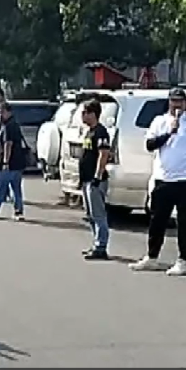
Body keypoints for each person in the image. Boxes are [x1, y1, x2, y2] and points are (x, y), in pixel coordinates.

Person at [130, 88, 186, 276]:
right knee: (157, 220)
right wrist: (169, 132)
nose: (176, 105)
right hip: (163, 179)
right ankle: (152, 256)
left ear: (185, 103)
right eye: (173, 101)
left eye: (180, 101)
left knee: (185, 222)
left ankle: (184, 260)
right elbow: (150, 145)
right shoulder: (159, 122)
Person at [78, 99, 113, 261]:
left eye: (85, 112)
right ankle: (96, 242)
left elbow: (103, 154)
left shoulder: (100, 132)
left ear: (93, 114)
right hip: (86, 179)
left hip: (95, 180)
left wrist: (97, 177)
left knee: (98, 214)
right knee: (90, 215)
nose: (82, 116)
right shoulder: (89, 131)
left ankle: (101, 247)